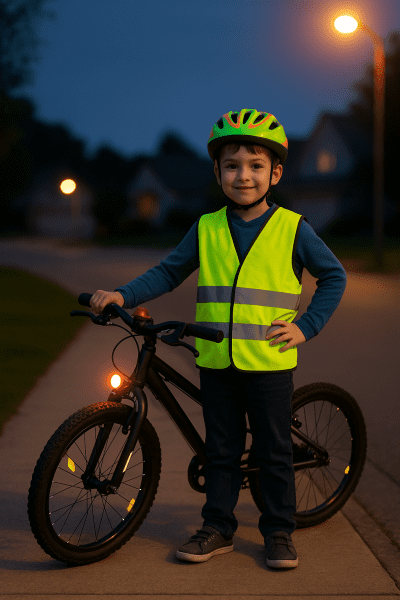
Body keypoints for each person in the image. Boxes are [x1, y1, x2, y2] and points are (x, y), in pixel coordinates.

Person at [90, 108, 347, 569]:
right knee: (221, 449)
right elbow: (168, 272)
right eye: (232, 165)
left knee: (272, 451)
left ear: (276, 172)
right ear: (217, 172)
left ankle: (279, 531)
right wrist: (123, 295)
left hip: (268, 362)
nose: (243, 175)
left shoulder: (293, 228)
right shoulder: (206, 227)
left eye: (255, 165)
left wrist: (306, 326)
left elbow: (333, 276)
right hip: (215, 361)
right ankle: (218, 527)